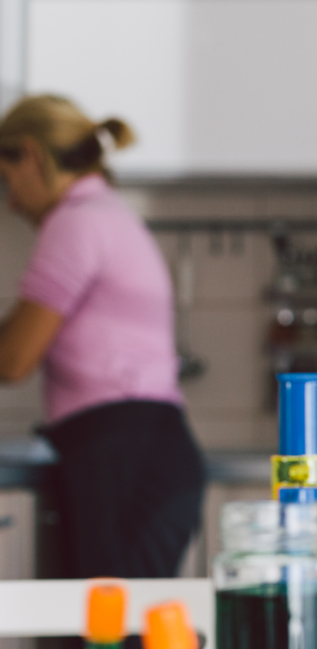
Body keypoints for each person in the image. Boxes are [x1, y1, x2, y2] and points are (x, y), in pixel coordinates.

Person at [0, 95, 204, 580]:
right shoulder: (101, 214)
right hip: (137, 453)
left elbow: (13, 359)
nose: (9, 201)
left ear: (30, 155)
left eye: (6, 179)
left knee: (118, 641)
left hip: (126, 456)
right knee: (121, 639)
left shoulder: (77, 223)